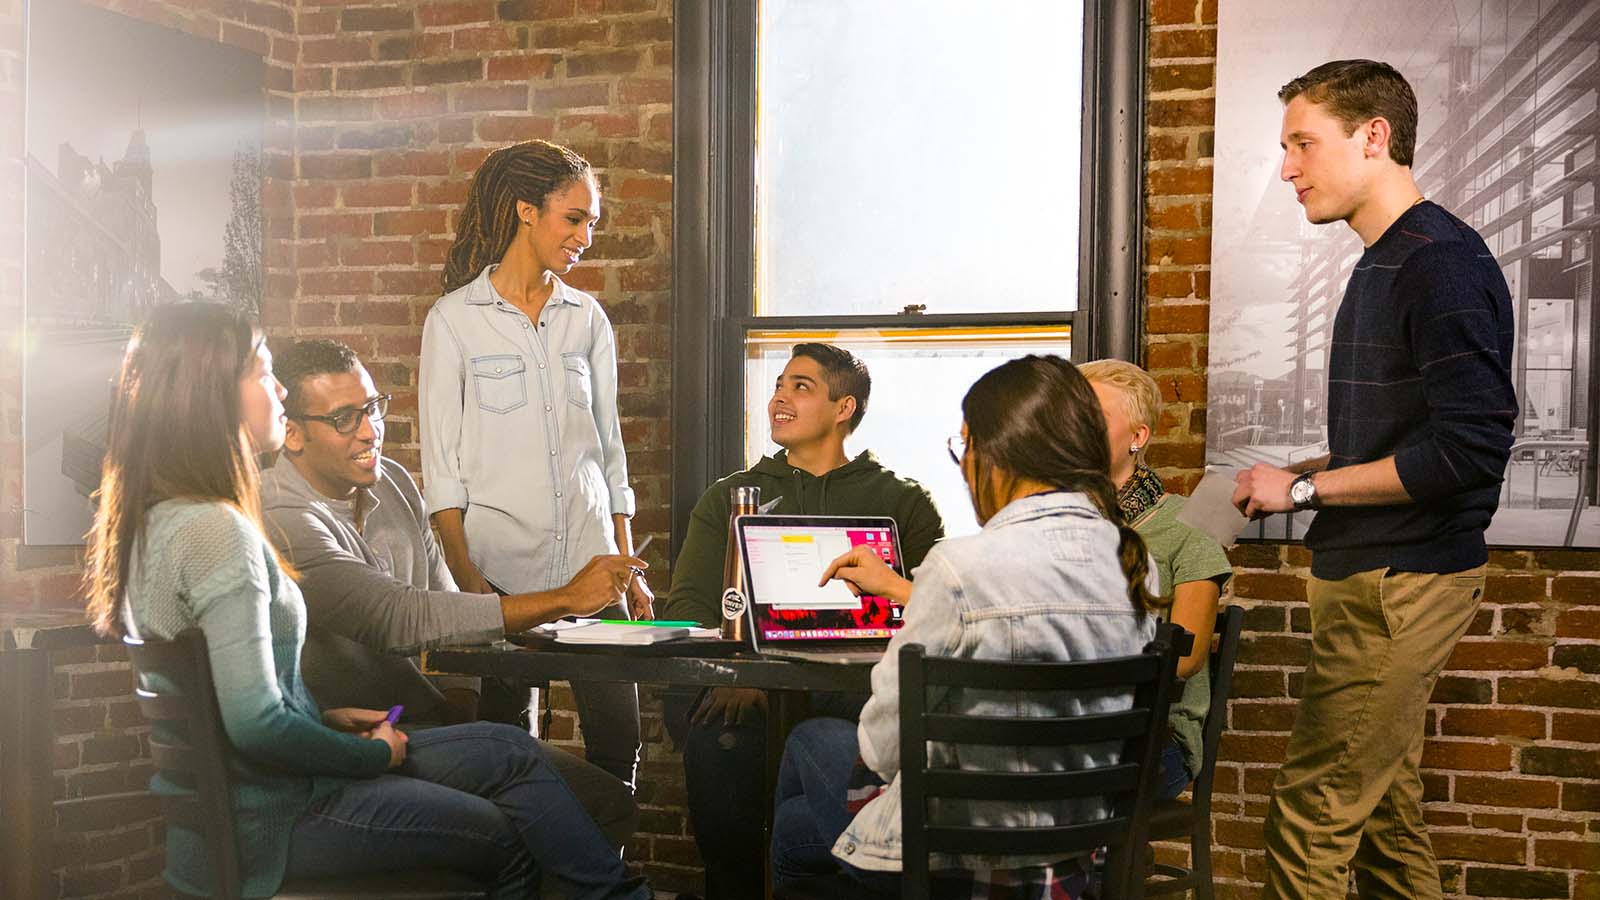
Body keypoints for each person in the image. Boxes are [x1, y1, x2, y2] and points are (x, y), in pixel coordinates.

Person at [84, 302, 650, 900]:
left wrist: (323, 721)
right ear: (210, 397)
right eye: (260, 370)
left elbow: (232, 709)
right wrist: (368, 758)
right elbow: (259, 720)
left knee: (508, 750)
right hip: (281, 813)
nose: (275, 388)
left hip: (271, 795)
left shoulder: (167, 520)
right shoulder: (224, 531)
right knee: (507, 833)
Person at [1231, 60, 1515, 900]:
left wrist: (1306, 494)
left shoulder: (1440, 262)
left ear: (1374, 136)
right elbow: (1413, 437)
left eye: (1303, 144)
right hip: (1374, 576)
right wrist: (1304, 471)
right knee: (1386, 820)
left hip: (1401, 581)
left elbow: (1469, 451)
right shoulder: (1388, 259)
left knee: (1312, 815)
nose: (1287, 168)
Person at [769, 354, 1161, 897]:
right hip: (1078, 848)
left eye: (964, 447)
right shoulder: (1134, 560)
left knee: (809, 739)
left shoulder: (959, 567)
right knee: (793, 827)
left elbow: (882, 749)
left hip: (958, 859)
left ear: (995, 454)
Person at [261, 337, 643, 848]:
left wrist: (462, 699)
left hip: (425, 725)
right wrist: (566, 598)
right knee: (548, 797)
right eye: (344, 419)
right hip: (352, 741)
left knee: (609, 803)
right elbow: (396, 616)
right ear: (292, 434)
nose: (371, 432)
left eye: (372, 409)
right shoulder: (280, 515)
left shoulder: (392, 480)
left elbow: (444, 599)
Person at [658, 342, 944, 897]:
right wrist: (750, 679)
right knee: (723, 742)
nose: (779, 397)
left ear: (845, 408)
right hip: (744, 696)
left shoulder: (903, 502)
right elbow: (689, 609)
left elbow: (930, 617)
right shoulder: (728, 498)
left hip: (855, 698)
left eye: (801, 387)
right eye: (778, 386)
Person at [422, 140, 644, 787]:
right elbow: (442, 468)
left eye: (592, 223)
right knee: (505, 744)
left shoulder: (587, 321)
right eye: (574, 218)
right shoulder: (455, 321)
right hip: (499, 573)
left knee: (618, 739)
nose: (585, 237)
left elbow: (610, 452)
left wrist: (624, 563)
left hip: (593, 562)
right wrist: (469, 581)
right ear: (526, 210)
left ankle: (604, 876)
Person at [1081, 359, 1232, 800]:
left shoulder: (1187, 527)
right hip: (1062, 721)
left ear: (1138, 436)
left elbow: (1184, 660)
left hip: (1152, 737)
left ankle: (1094, 867)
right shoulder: (1050, 521)